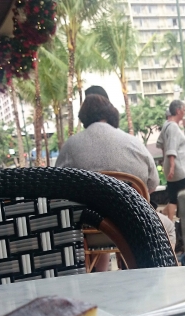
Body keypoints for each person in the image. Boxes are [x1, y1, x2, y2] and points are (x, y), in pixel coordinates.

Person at [56, 94, 176, 270]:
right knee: (169, 228)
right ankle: (157, 275)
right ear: (111, 113)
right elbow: (151, 185)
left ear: (84, 118)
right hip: (134, 226)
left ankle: (99, 277)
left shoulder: (70, 146)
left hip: (87, 230)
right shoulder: (133, 142)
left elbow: (58, 188)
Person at [157, 100, 185, 220]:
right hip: (178, 168)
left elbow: (161, 144)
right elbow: (171, 147)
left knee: (173, 194)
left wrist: (166, 162)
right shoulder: (173, 127)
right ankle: (170, 223)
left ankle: (163, 214)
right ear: (178, 111)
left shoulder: (167, 125)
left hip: (173, 167)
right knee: (175, 199)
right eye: (184, 110)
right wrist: (172, 166)